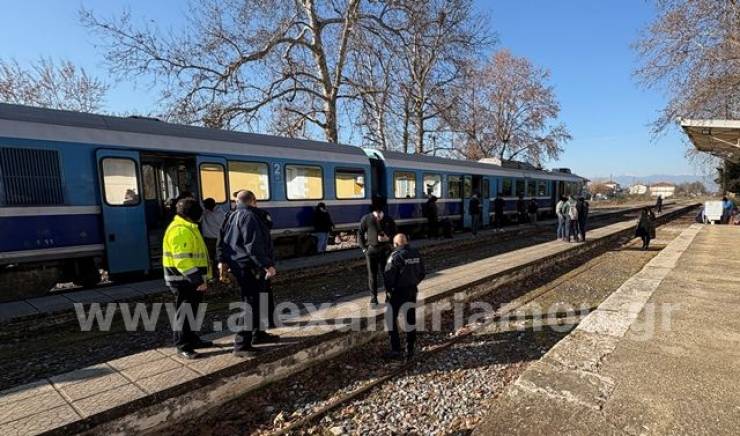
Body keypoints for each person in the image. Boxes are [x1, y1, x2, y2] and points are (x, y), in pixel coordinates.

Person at [217, 190, 279, 357]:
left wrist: (221, 260)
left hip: (239, 265)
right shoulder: (250, 217)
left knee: (260, 300)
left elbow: (221, 241)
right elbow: (253, 245)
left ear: (237, 201)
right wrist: (267, 265)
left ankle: (258, 333)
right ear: (253, 201)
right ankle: (241, 344)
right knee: (250, 304)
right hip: (250, 266)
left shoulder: (230, 216)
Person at [162, 198, 212, 360]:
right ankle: (183, 345)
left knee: (192, 312)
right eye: (199, 210)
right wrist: (198, 280)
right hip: (184, 280)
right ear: (191, 213)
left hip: (189, 280)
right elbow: (182, 260)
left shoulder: (188, 227)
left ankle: (192, 339)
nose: (202, 213)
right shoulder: (180, 230)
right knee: (184, 313)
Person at [383, 233, 425, 361]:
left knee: (390, 318)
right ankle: (410, 348)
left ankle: (396, 349)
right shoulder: (416, 253)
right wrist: (413, 283)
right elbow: (422, 273)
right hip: (412, 290)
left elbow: (388, 276)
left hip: (397, 292)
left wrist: (389, 291)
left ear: (395, 244)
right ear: (406, 242)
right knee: (410, 319)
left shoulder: (395, 256)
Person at [358, 199, 394, 305]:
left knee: (386, 274)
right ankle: (373, 298)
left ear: (383, 212)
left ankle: (389, 296)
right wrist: (364, 249)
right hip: (371, 251)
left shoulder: (388, 219)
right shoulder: (366, 219)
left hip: (385, 251)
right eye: (376, 213)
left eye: (380, 213)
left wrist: (388, 239)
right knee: (372, 275)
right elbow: (360, 233)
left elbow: (395, 233)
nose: (378, 215)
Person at [201, 198, 226, 277]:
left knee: (216, 258)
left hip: (216, 239)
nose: (204, 207)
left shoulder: (219, 213)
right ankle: (213, 274)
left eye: (205, 205)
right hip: (209, 239)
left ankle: (218, 274)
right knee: (212, 258)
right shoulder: (206, 212)